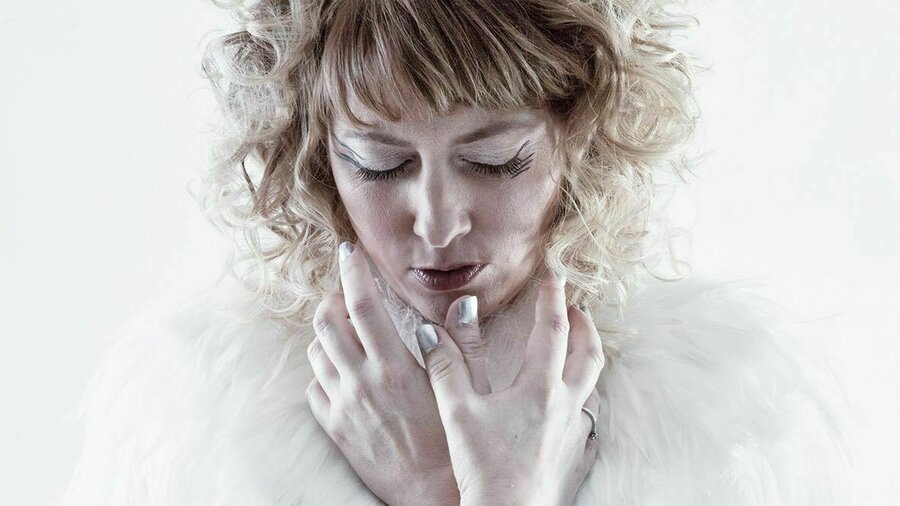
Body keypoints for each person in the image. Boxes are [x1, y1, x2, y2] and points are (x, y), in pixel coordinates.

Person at [62, 0, 854, 504]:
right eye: (379, 164)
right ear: (312, 160)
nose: (437, 224)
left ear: (582, 142)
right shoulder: (195, 414)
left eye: (496, 160)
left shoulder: (740, 417)